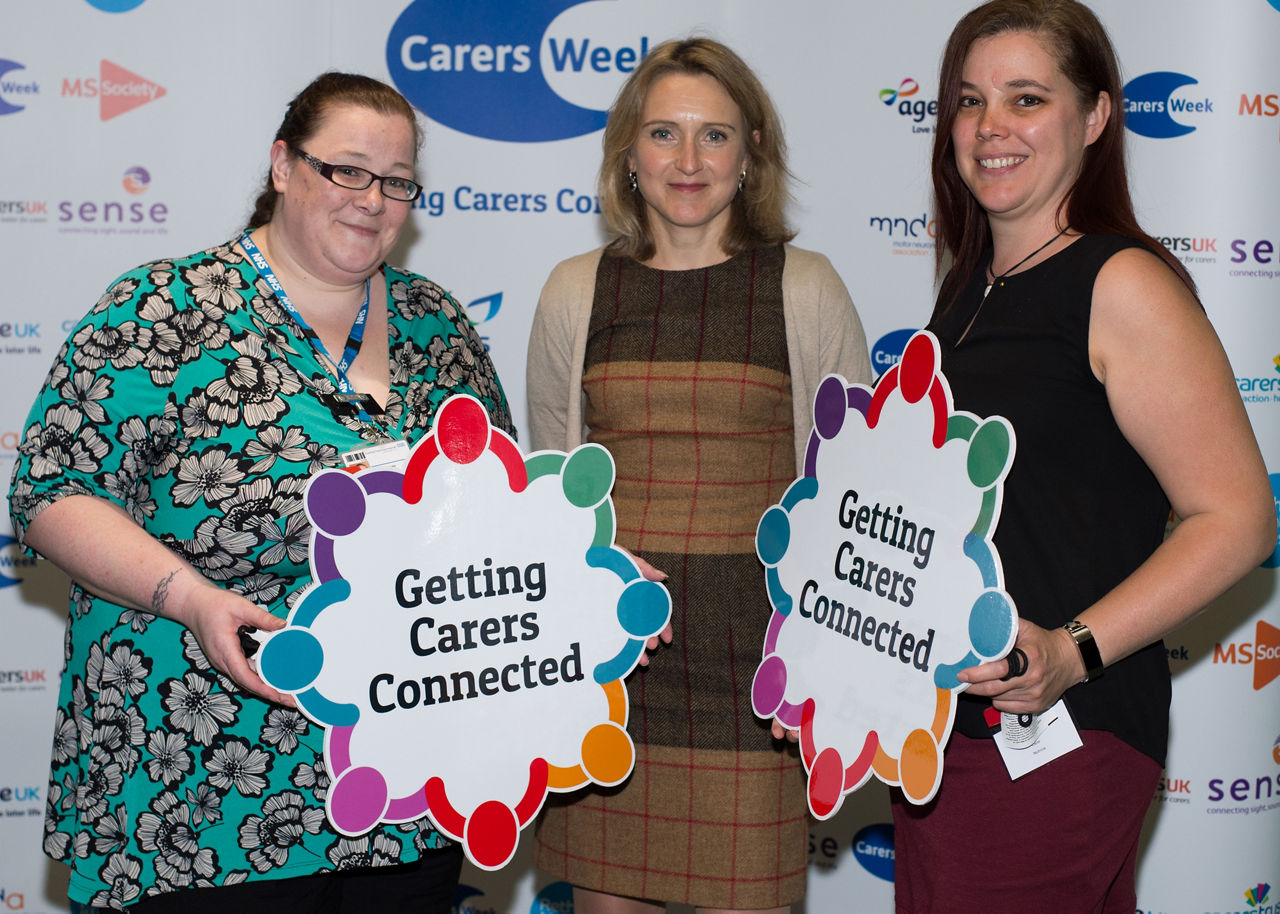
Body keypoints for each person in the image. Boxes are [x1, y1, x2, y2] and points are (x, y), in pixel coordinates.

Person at [8, 72, 512, 913]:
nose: (371, 199)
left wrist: (584, 579)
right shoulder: (163, 309)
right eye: (345, 170)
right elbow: (52, 491)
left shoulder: (438, 325)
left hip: (400, 788)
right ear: (283, 165)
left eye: (395, 181)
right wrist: (194, 599)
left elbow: (491, 511)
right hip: (199, 789)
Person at [894, 1, 1275, 910]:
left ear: (1097, 116)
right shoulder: (967, 291)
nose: (992, 127)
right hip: (954, 731)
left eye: (1027, 98)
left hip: (1061, 732)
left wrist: (1071, 652)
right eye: (970, 101)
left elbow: (1238, 516)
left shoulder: (1119, 282)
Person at [527, 37, 871, 914]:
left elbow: (858, 501)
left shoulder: (807, 287)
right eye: (664, 135)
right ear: (627, 155)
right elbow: (553, 498)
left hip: (760, 683)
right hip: (615, 670)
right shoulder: (574, 290)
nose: (688, 161)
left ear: (751, 151)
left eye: (714, 136)